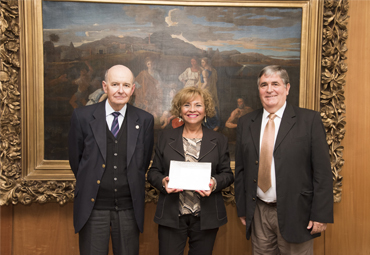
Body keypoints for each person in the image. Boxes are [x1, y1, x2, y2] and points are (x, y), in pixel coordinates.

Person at [234, 65, 333, 255]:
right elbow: (241, 170)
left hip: (297, 213)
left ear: (287, 88)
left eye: (275, 84)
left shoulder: (309, 120)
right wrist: (243, 209)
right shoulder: (246, 122)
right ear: (259, 90)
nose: (269, 89)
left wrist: (320, 214)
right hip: (259, 212)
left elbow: (322, 172)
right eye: (264, 85)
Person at [68, 65, 154, 255]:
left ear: (132, 89)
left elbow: (143, 161)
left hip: (128, 209)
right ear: (105, 86)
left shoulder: (145, 120)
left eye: (126, 85)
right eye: (115, 84)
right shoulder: (82, 117)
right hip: (93, 209)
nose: (120, 90)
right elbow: (77, 160)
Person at [147, 87, 234, 255]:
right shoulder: (166, 138)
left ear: (206, 109)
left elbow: (227, 174)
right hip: (172, 215)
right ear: (180, 109)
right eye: (187, 105)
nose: (192, 109)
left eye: (198, 105)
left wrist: (214, 183)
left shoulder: (219, 140)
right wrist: (163, 182)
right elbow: (153, 172)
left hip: (206, 216)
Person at [200, 57, 220, 131]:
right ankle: (216, 124)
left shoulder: (205, 71)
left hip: (206, 91)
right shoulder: (214, 70)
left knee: (207, 107)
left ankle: (209, 125)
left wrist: (199, 90)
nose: (202, 64)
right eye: (201, 62)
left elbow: (206, 83)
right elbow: (216, 80)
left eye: (203, 62)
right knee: (213, 106)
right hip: (213, 90)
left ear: (207, 62)